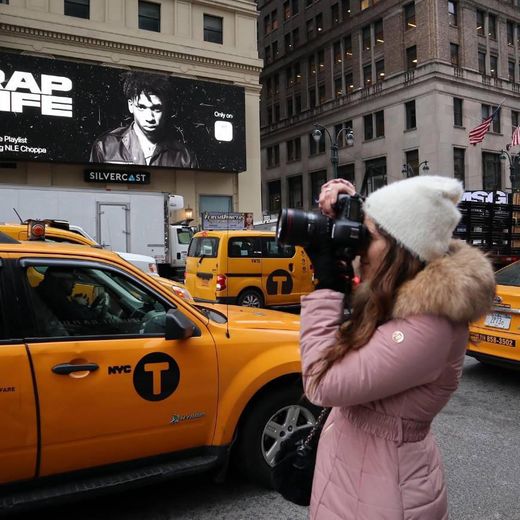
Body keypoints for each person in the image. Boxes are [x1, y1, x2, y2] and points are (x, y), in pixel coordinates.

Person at [299, 175, 496, 520]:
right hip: (355, 476)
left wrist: (326, 287)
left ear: (401, 248)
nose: (359, 247)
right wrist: (351, 206)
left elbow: (322, 383)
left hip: (384, 493)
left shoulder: (431, 324)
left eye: (369, 236)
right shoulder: (393, 297)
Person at [90, 72, 198, 168]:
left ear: (166, 108)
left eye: (156, 108)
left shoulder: (185, 156)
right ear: (130, 105)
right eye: (141, 107)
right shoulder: (105, 146)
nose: (149, 118)